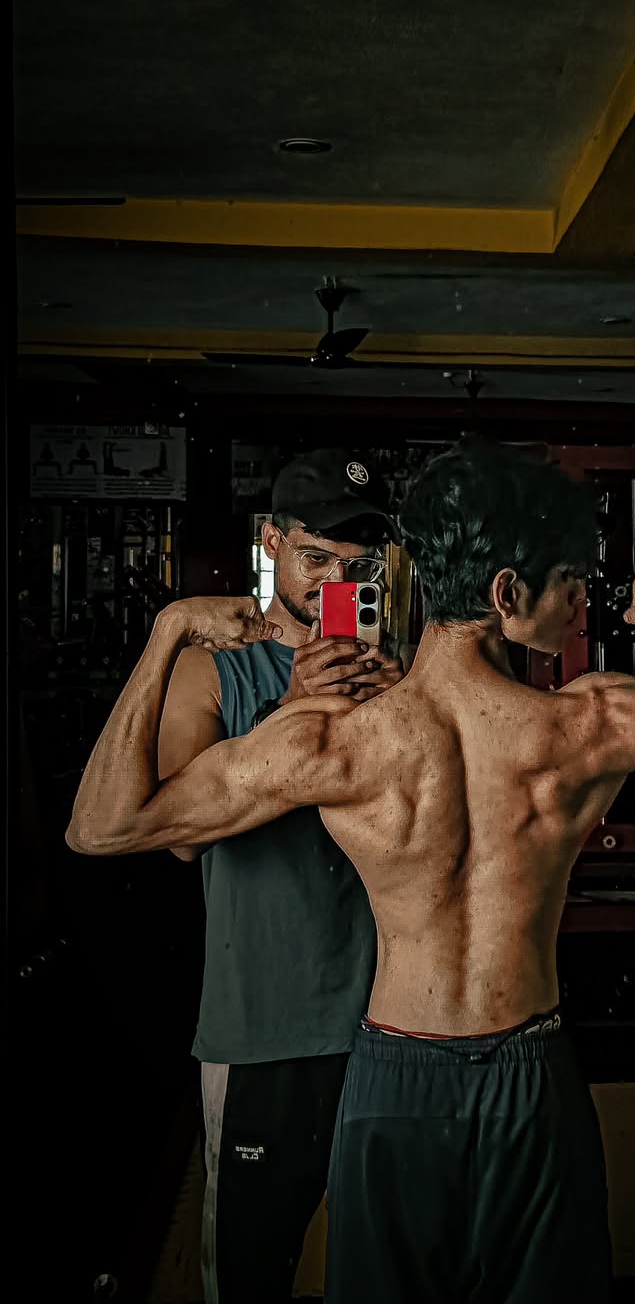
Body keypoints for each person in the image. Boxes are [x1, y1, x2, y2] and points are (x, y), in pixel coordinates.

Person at [67, 439, 635, 1303]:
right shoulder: (598, 723)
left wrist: (167, 631)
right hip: (532, 1070)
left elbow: (103, 826)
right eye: (569, 584)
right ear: (506, 594)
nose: (581, 604)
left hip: (393, 1074)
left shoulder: (333, 739)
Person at [156, 448, 407, 1303]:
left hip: (388, 1022)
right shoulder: (212, 669)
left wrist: (408, 712)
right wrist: (292, 710)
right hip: (264, 1024)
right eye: (317, 558)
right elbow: (182, 837)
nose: (337, 580)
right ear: (271, 542)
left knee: (390, 1270)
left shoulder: (392, 674)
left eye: (358, 568)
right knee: (250, 1272)